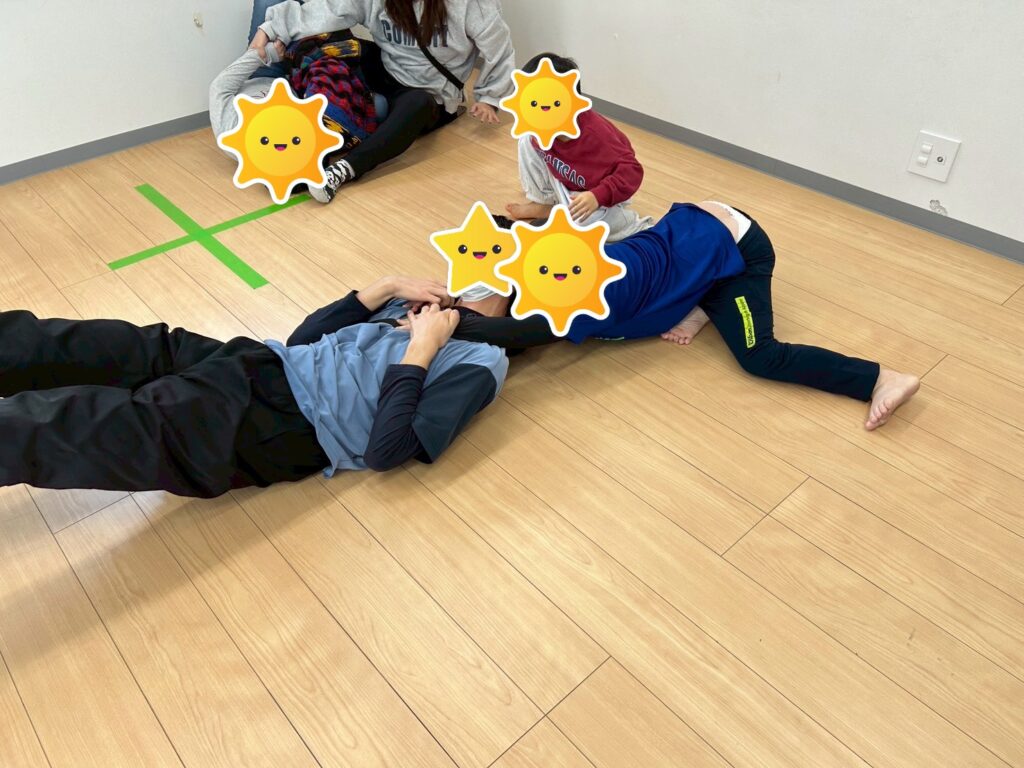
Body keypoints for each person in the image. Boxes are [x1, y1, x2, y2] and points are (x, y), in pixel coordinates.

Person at [0, 277, 510, 499]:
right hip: (260, 362)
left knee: (78, 425)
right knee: (101, 345)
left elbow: (387, 450)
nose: (466, 290)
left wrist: (422, 348)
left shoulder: (480, 358)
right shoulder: (415, 310)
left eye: (490, 290)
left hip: (283, 423)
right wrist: (384, 290)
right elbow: (304, 342)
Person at [448, 202, 920, 430]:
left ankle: (881, 378)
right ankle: (699, 304)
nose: (467, 302)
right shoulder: (543, 269)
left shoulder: (573, 300)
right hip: (690, 233)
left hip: (738, 246)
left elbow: (502, 330)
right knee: (665, 296)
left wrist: (445, 324)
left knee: (761, 355)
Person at [250, 0, 516, 203]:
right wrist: (269, 29)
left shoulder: (469, 4)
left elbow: (500, 49)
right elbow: (330, 8)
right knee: (326, 45)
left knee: (418, 104)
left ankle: (346, 168)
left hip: (429, 92)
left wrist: (489, 97)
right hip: (385, 69)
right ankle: (304, 143)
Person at [504, 52, 653, 242]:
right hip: (567, 184)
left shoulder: (597, 135)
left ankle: (632, 224)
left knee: (582, 223)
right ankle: (544, 203)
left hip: (601, 194)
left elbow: (632, 171)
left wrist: (597, 196)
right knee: (526, 138)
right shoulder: (540, 129)